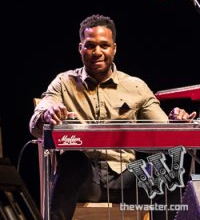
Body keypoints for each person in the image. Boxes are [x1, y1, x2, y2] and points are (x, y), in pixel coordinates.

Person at [29, 14, 196, 220]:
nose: (97, 52)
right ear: (80, 48)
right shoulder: (63, 82)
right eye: (90, 45)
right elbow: (37, 122)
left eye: (104, 45)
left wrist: (177, 123)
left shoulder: (136, 86)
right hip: (86, 181)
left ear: (114, 48)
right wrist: (47, 113)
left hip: (128, 180)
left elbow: (162, 131)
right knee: (72, 159)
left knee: (169, 169)